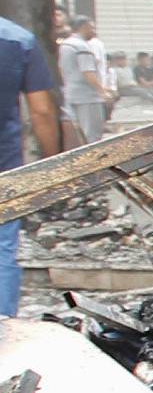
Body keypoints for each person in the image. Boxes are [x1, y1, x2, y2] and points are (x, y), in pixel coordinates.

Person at [0, 17, 60, 316]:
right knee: (1, 250)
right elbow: (42, 110)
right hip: (4, 167)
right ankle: (3, 330)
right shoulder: (18, 39)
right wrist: (53, 165)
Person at [59, 16, 108, 144]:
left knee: (79, 135)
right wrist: (102, 91)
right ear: (83, 27)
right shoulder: (81, 47)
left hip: (71, 94)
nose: (94, 31)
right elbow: (88, 72)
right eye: (91, 28)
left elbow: (62, 70)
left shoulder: (65, 45)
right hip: (88, 97)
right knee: (92, 135)